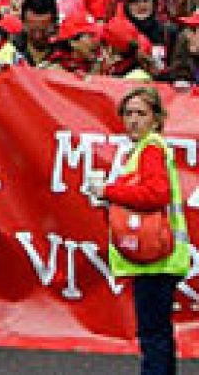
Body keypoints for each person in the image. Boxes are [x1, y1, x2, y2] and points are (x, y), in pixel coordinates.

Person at [86, 86, 189, 375]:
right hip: (161, 256)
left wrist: (108, 190)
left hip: (156, 257)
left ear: (156, 119)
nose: (133, 120)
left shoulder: (150, 149)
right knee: (159, 334)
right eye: (128, 114)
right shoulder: (147, 149)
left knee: (153, 336)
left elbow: (156, 194)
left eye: (141, 114)